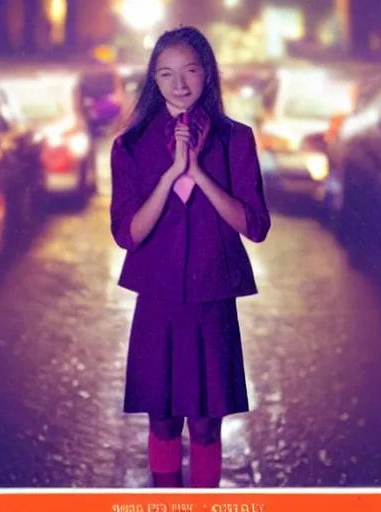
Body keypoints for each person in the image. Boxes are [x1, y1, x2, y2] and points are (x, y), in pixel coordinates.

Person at [110, 26, 271, 488]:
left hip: (212, 301)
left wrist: (198, 172)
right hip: (157, 304)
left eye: (190, 71)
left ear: (207, 73)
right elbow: (127, 234)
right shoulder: (131, 144)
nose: (179, 84)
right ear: (154, 81)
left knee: (205, 424)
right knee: (161, 422)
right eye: (166, 74)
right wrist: (169, 177)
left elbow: (254, 226)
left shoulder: (234, 139)